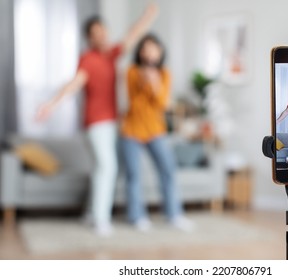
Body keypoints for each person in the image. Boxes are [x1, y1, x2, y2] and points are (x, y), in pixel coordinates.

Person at [35, 4, 159, 236]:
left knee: (100, 169)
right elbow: (73, 84)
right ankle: (101, 219)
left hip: (112, 121)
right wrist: (51, 104)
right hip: (96, 122)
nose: (102, 36)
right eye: (96, 33)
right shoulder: (88, 60)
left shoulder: (111, 55)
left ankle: (91, 213)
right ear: (89, 38)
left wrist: (148, 16)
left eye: (104, 31)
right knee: (108, 168)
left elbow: (133, 35)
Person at [120, 34, 193, 232]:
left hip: (155, 130)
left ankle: (174, 214)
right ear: (140, 52)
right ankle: (137, 217)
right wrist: (145, 81)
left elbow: (163, 103)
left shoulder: (165, 74)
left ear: (160, 52)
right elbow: (134, 103)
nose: (149, 52)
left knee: (167, 170)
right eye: (145, 48)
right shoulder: (131, 72)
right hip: (132, 130)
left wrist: (155, 83)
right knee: (134, 174)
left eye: (153, 48)